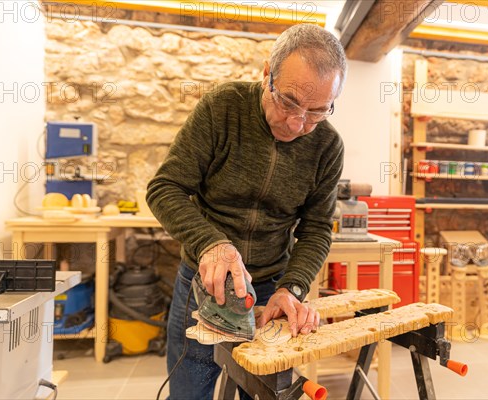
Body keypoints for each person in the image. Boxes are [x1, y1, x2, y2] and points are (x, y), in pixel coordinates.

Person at [147, 23, 347, 400]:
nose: (297, 123)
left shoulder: (327, 145)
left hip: (271, 291)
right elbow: (165, 188)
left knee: (265, 392)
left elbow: (318, 227)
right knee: (190, 392)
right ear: (266, 73)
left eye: (317, 112)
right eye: (288, 102)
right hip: (203, 285)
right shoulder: (223, 108)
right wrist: (212, 245)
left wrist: (294, 287)